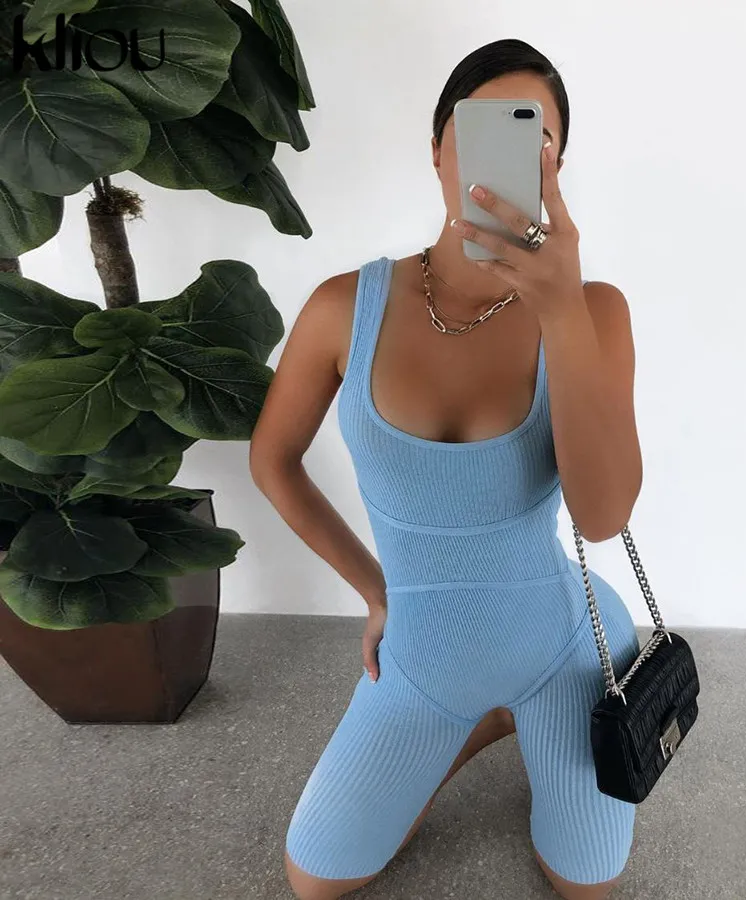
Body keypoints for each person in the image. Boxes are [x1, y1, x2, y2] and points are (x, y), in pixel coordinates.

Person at [250, 37, 643, 900]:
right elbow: (272, 460)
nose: (506, 155)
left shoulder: (595, 312)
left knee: (586, 883)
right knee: (316, 879)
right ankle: (482, 717)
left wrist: (560, 312)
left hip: (562, 645)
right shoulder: (344, 307)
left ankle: (513, 710)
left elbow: (604, 516)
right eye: (481, 128)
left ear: (557, 164)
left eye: (533, 135)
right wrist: (374, 589)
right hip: (421, 653)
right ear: (437, 149)